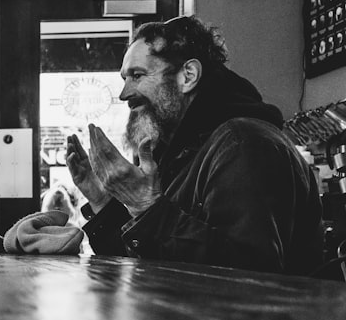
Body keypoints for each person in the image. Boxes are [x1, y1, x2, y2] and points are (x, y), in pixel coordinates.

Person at [65, 15, 325, 276]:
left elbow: (248, 274)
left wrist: (146, 206)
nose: (124, 94)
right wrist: (102, 199)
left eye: (137, 75)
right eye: (125, 79)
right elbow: (142, 264)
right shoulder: (177, 151)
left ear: (188, 76)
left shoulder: (244, 143)